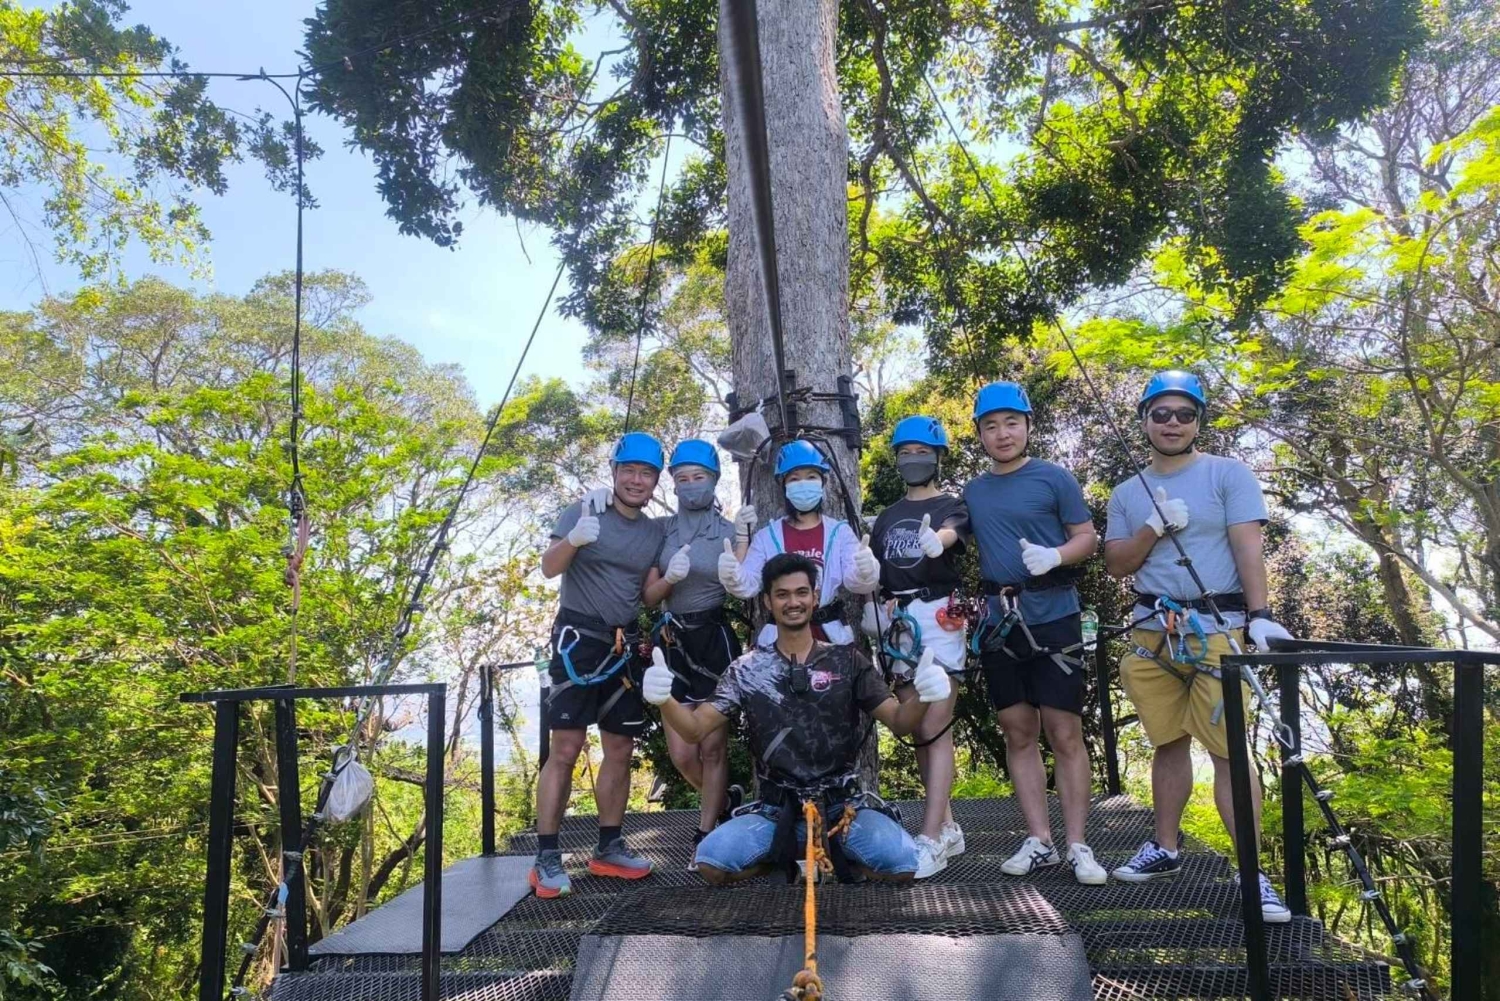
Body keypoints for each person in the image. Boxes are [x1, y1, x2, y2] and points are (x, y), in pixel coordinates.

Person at [1103, 370, 1295, 923]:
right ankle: (1164, 847)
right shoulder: (1125, 491)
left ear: (1198, 422)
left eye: (1184, 414)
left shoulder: (1227, 475)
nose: (1172, 423)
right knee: (1167, 742)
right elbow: (1118, 563)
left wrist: (1259, 616)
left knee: (1228, 748)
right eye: (1160, 413)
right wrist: (1153, 529)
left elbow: (1248, 547)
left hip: (1216, 628)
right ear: (1144, 420)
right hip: (1150, 632)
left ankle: (1253, 873)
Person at [643, 552, 952, 884]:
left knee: (904, 864)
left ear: (815, 597)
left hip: (841, 806)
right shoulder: (746, 670)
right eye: (782, 594)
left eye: (801, 592)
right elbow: (694, 730)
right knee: (711, 861)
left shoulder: (847, 660)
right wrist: (666, 701)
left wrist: (924, 696)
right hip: (777, 811)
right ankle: (787, 863)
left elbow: (900, 721)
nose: (793, 602)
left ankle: (834, 854)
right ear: (767, 602)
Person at [962, 381, 1107, 886]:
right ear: (979, 433)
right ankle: (1039, 839)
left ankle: (1077, 844)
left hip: (1054, 614)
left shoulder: (1055, 479)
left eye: (1011, 423)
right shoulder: (975, 491)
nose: (1002, 434)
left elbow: (1087, 536)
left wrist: (1056, 556)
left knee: (1064, 731)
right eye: (991, 425)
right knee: (1018, 730)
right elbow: (950, 531)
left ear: (1027, 426)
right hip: (999, 622)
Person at [530, 432, 668, 899]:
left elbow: (646, 595)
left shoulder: (653, 532)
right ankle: (546, 854)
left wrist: (672, 578)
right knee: (565, 749)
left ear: (654, 482)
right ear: (613, 472)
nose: (636, 480)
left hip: (623, 645)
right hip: (577, 641)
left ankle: (608, 847)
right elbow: (550, 567)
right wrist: (573, 538)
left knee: (620, 748)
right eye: (628, 470)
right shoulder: (584, 511)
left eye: (646, 473)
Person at [864, 415, 969, 878]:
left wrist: (938, 541)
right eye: (905, 453)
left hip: (939, 615)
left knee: (936, 722)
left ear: (938, 457)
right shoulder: (886, 516)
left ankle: (929, 837)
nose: (913, 460)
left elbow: (952, 534)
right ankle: (946, 825)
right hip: (896, 621)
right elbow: (873, 568)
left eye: (921, 452)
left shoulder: (953, 505)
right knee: (916, 727)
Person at [641, 439, 743, 867]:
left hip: (714, 637)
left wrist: (735, 569)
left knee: (713, 747)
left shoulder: (731, 530)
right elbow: (648, 596)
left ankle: (706, 834)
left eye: (698, 477)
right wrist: (670, 581)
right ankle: (725, 805)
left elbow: (745, 584)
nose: (690, 486)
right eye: (682, 479)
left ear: (714, 479)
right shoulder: (661, 529)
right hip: (672, 641)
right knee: (683, 753)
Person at [718, 439, 881, 646]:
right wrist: (731, 572)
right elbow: (747, 585)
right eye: (794, 479)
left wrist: (867, 571)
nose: (803, 484)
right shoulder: (768, 536)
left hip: (829, 638)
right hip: (781, 639)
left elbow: (855, 581)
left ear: (822, 483)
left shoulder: (839, 533)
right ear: (783, 486)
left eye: (811, 477)